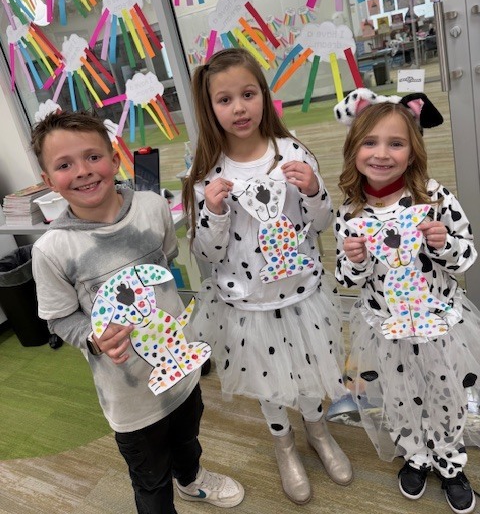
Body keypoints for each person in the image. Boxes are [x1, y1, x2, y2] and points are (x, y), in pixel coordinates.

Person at [30, 110, 244, 514]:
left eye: (92, 156)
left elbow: (165, 261)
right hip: (129, 396)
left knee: (187, 438)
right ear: (48, 181)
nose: (83, 171)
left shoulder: (152, 207)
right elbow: (59, 319)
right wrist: (94, 338)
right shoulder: (52, 250)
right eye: (64, 164)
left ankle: (192, 480)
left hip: (179, 368)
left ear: (114, 158)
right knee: (150, 479)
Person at [182, 48, 353, 505]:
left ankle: (318, 432)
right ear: (209, 107)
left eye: (248, 94)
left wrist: (314, 190)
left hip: (300, 295)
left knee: (310, 371)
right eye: (224, 99)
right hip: (246, 302)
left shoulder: (291, 153)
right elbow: (206, 251)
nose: (239, 108)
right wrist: (214, 212)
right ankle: (284, 445)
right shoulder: (206, 175)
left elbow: (321, 225)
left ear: (264, 96)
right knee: (267, 379)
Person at [334, 88, 480, 514]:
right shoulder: (351, 212)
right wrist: (357, 260)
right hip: (386, 326)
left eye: (395, 143)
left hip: (438, 323)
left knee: (445, 393)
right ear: (353, 149)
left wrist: (444, 243)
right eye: (370, 142)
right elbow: (345, 277)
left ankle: (450, 461)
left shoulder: (434, 197)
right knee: (398, 395)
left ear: (413, 150)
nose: (382, 154)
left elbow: (467, 253)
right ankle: (414, 454)